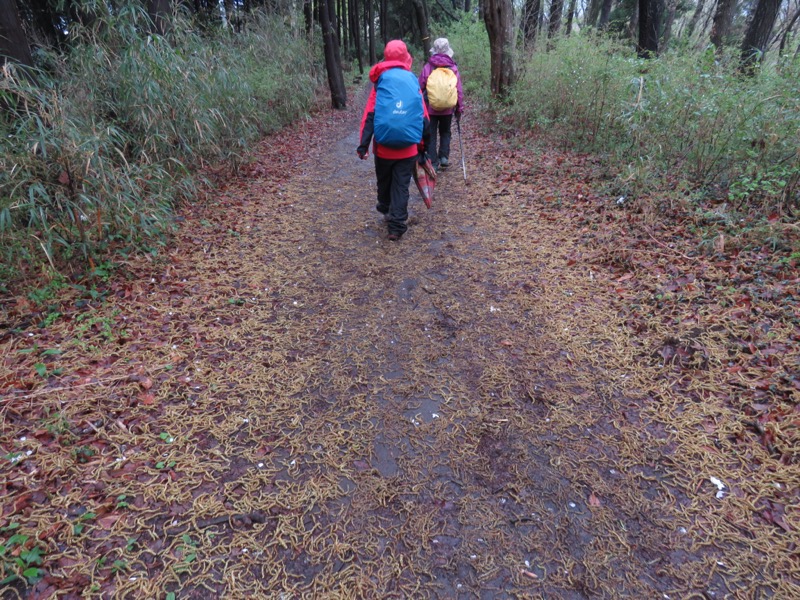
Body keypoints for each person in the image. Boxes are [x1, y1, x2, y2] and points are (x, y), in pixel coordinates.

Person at [357, 40, 430, 241]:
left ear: (386, 57)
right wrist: (423, 147)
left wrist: (363, 145)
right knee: (401, 185)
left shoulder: (381, 82)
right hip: (408, 149)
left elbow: (370, 114)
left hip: (383, 148)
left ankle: (385, 207)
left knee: (384, 180)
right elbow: (423, 117)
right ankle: (396, 226)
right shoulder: (412, 80)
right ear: (406, 56)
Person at [418, 38, 464, 172]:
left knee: (431, 134)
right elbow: (458, 90)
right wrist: (459, 108)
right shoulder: (453, 68)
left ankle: (433, 162)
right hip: (448, 108)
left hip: (430, 108)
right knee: (445, 132)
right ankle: (444, 157)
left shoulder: (428, 67)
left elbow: (419, 87)